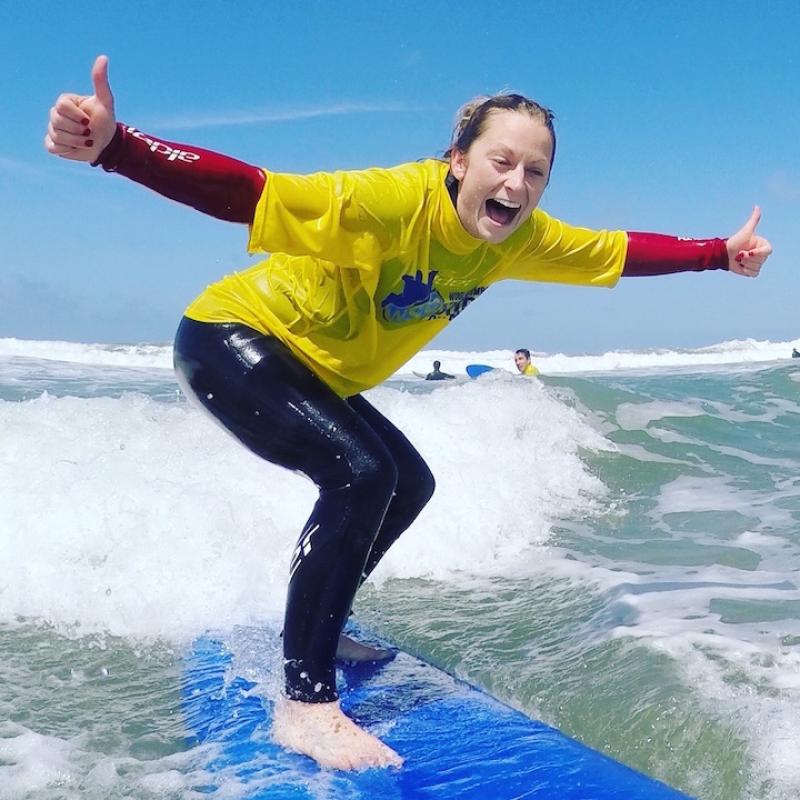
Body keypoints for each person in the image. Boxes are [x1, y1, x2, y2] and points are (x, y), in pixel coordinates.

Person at [45, 55, 772, 772]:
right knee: (360, 474)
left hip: (314, 369)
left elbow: (615, 252)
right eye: (501, 161)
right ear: (459, 159)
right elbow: (252, 192)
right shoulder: (394, 202)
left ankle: (322, 626)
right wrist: (118, 149)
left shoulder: (517, 237)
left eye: (536, 172)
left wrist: (718, 255)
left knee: (408, 481)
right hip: (231, 338)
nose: (516, 184)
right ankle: (305, 703)